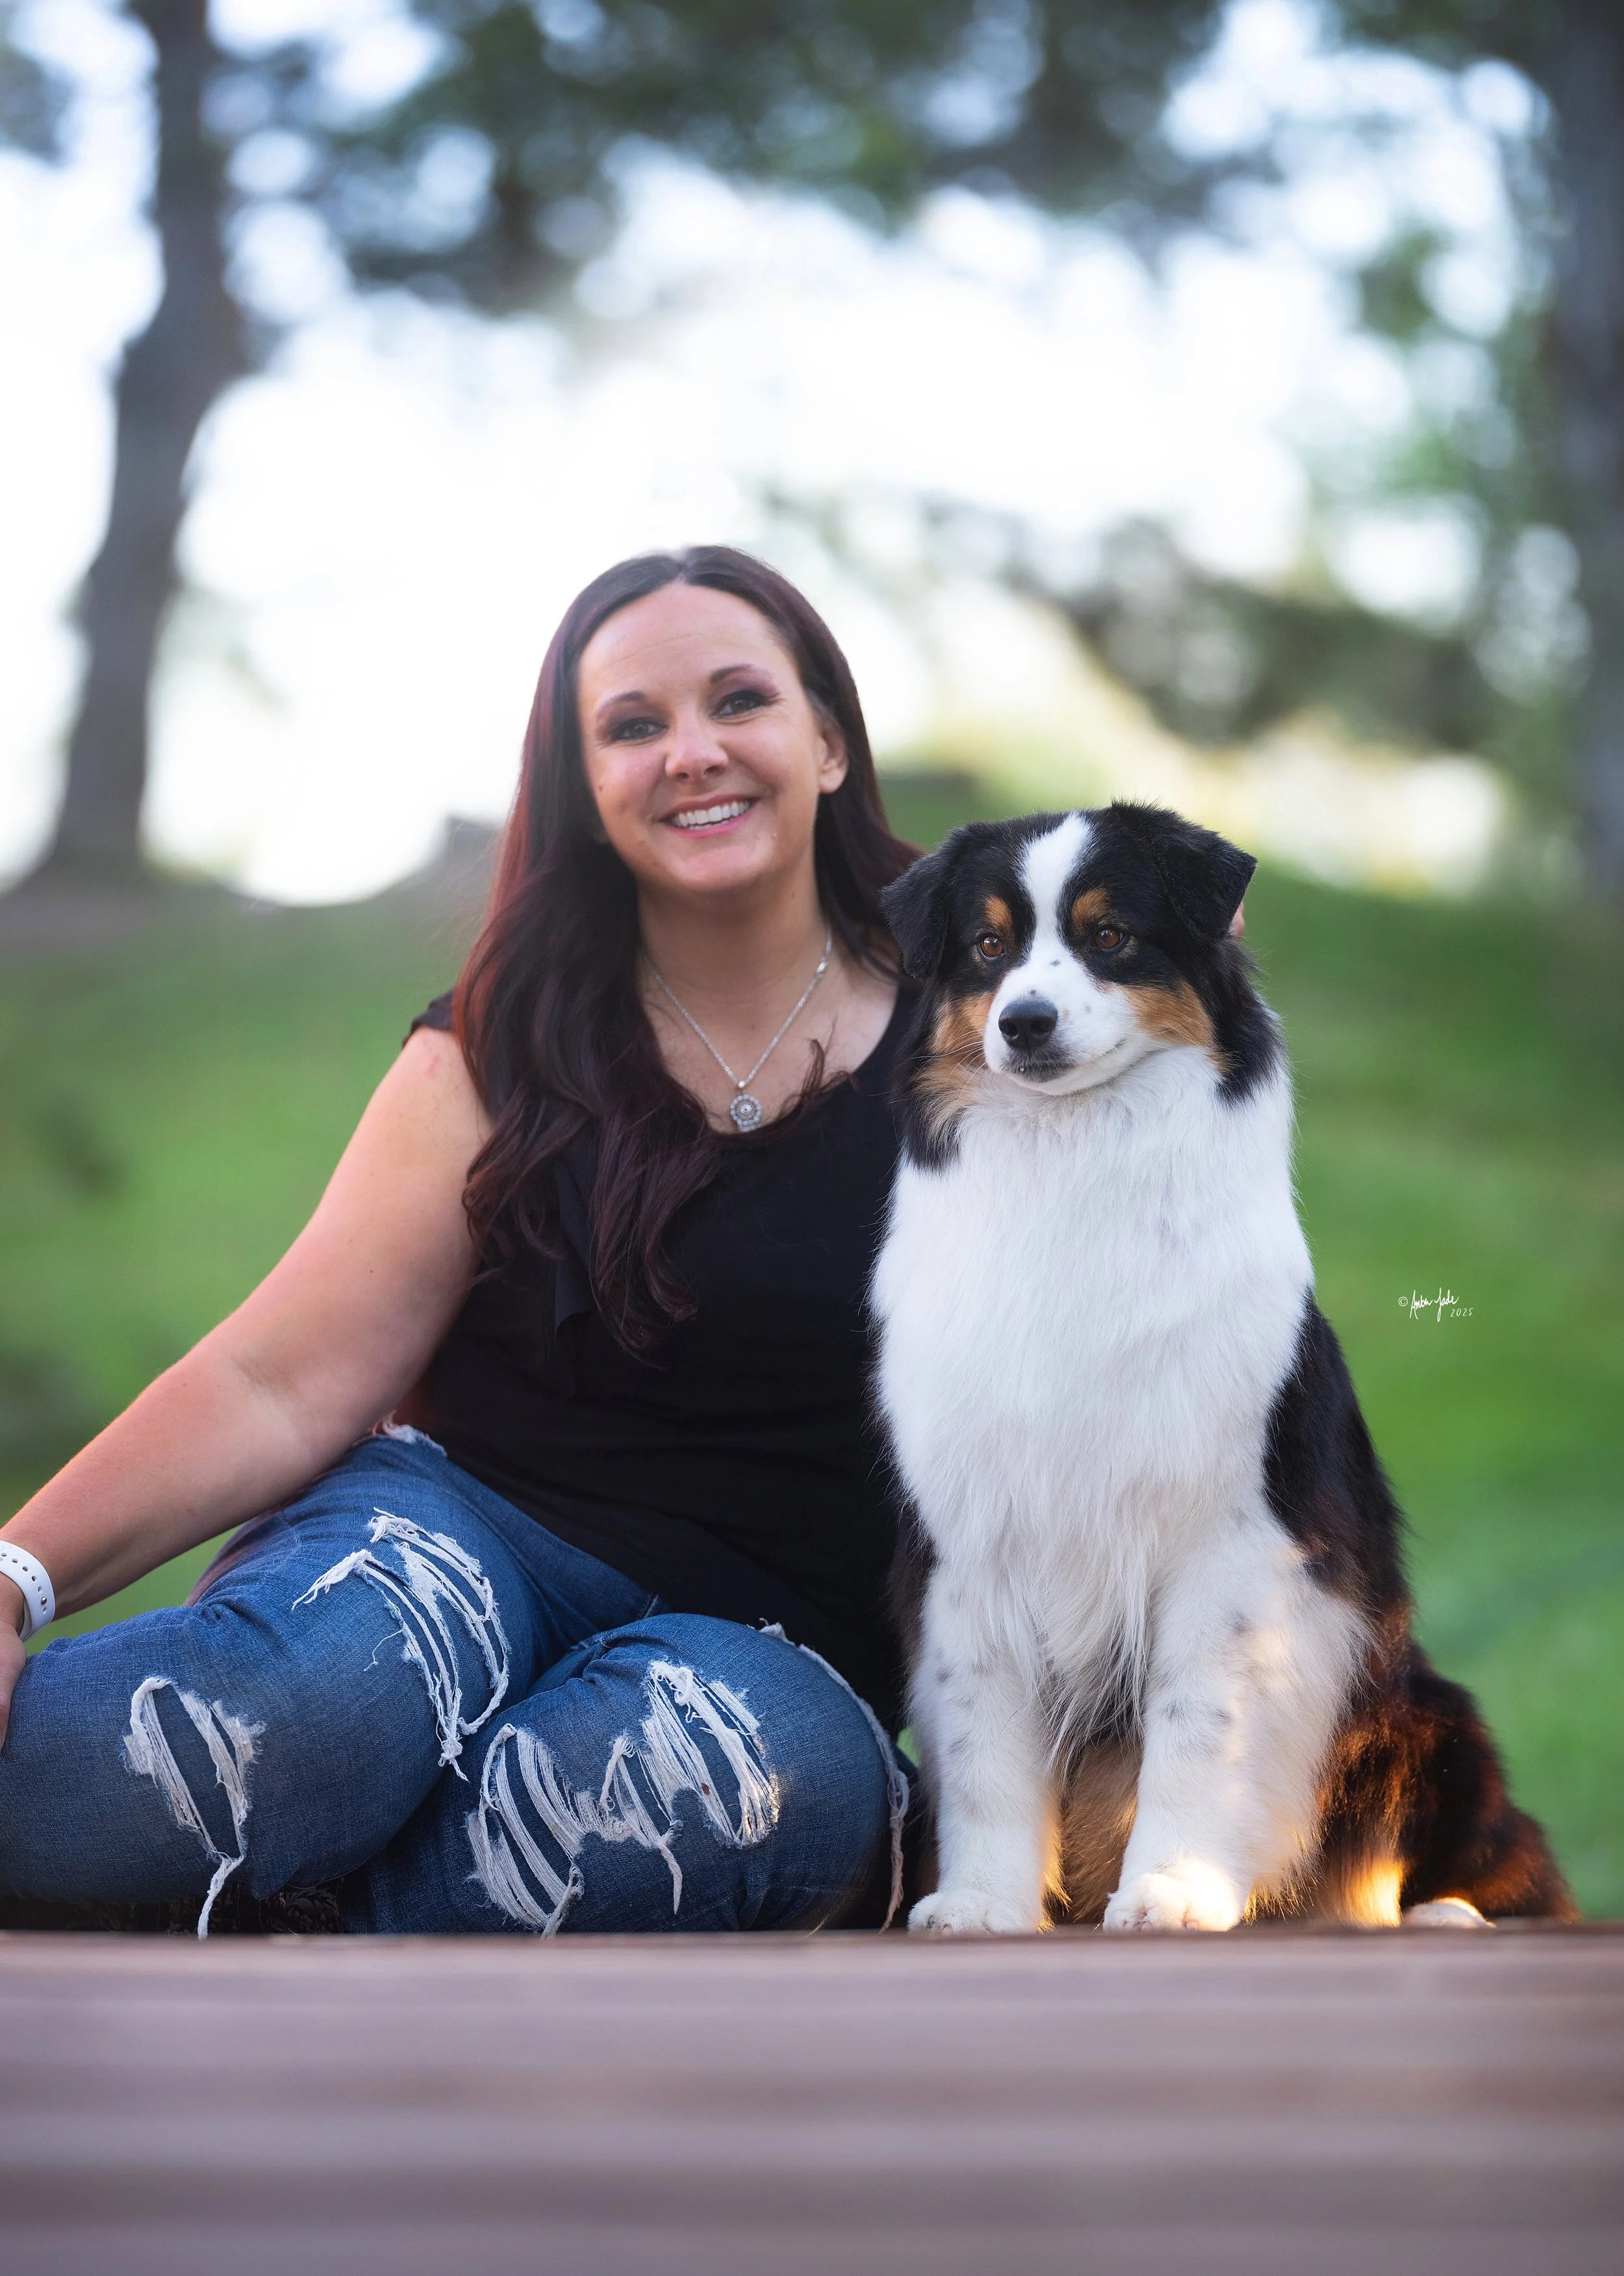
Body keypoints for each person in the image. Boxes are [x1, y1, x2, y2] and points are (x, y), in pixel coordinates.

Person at [0, 547, 919, 1937]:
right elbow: (279, 1376)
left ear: (828, 740)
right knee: (306, 1708)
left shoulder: (997, 1026)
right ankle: (266, 1863)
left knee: (659, 1798)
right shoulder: (501, 1041)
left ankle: (238, 1895)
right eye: (630, 724)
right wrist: (13, 1576)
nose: (690, 752)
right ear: (584, 787)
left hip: (786, 1644)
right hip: (466, 1530)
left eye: (738, 699)